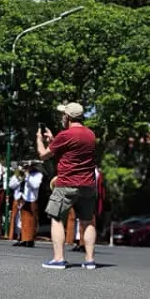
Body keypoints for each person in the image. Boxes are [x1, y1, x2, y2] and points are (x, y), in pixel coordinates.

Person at [37, 102, 99, 269]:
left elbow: (44, 155)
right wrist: (54, 140)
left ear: (68, 117)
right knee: (87, 221)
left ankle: (58, 259)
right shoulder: (91, 135)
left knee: (56, 218)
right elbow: (73, 150)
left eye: (63, 114)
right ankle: (90, 259)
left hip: (67, 183)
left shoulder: (65, 134)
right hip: (88, 184)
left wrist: (39, 140)